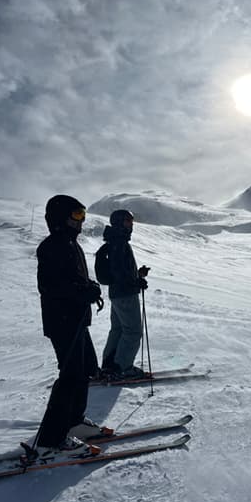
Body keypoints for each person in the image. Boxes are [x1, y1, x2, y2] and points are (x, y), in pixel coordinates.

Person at [31, 195, 107, 459]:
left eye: (83, 215)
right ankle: (51, 439)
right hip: (62, 321)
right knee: (71, 375)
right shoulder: (52, 246)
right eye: (76, 215)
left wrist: (89, 287)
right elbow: (51, 286)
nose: (81, 221)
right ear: (60, 218)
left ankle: (73, 421)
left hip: (75, 319)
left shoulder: (70, 244)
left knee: (85, 368)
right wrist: (81, 292)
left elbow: (74, 279)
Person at [100, 210, 149, 379]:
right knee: (133, 331)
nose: (132, 224)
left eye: (132, 220)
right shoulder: (119, 243)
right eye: (128, 221)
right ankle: (122, 368)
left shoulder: (115, 241)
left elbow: (120, 272)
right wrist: (136, 282)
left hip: (118, 294)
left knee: (118, 330)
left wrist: (138, 275)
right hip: (125, 295)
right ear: (120, 222)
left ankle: (109, 365)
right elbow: (119, 273)